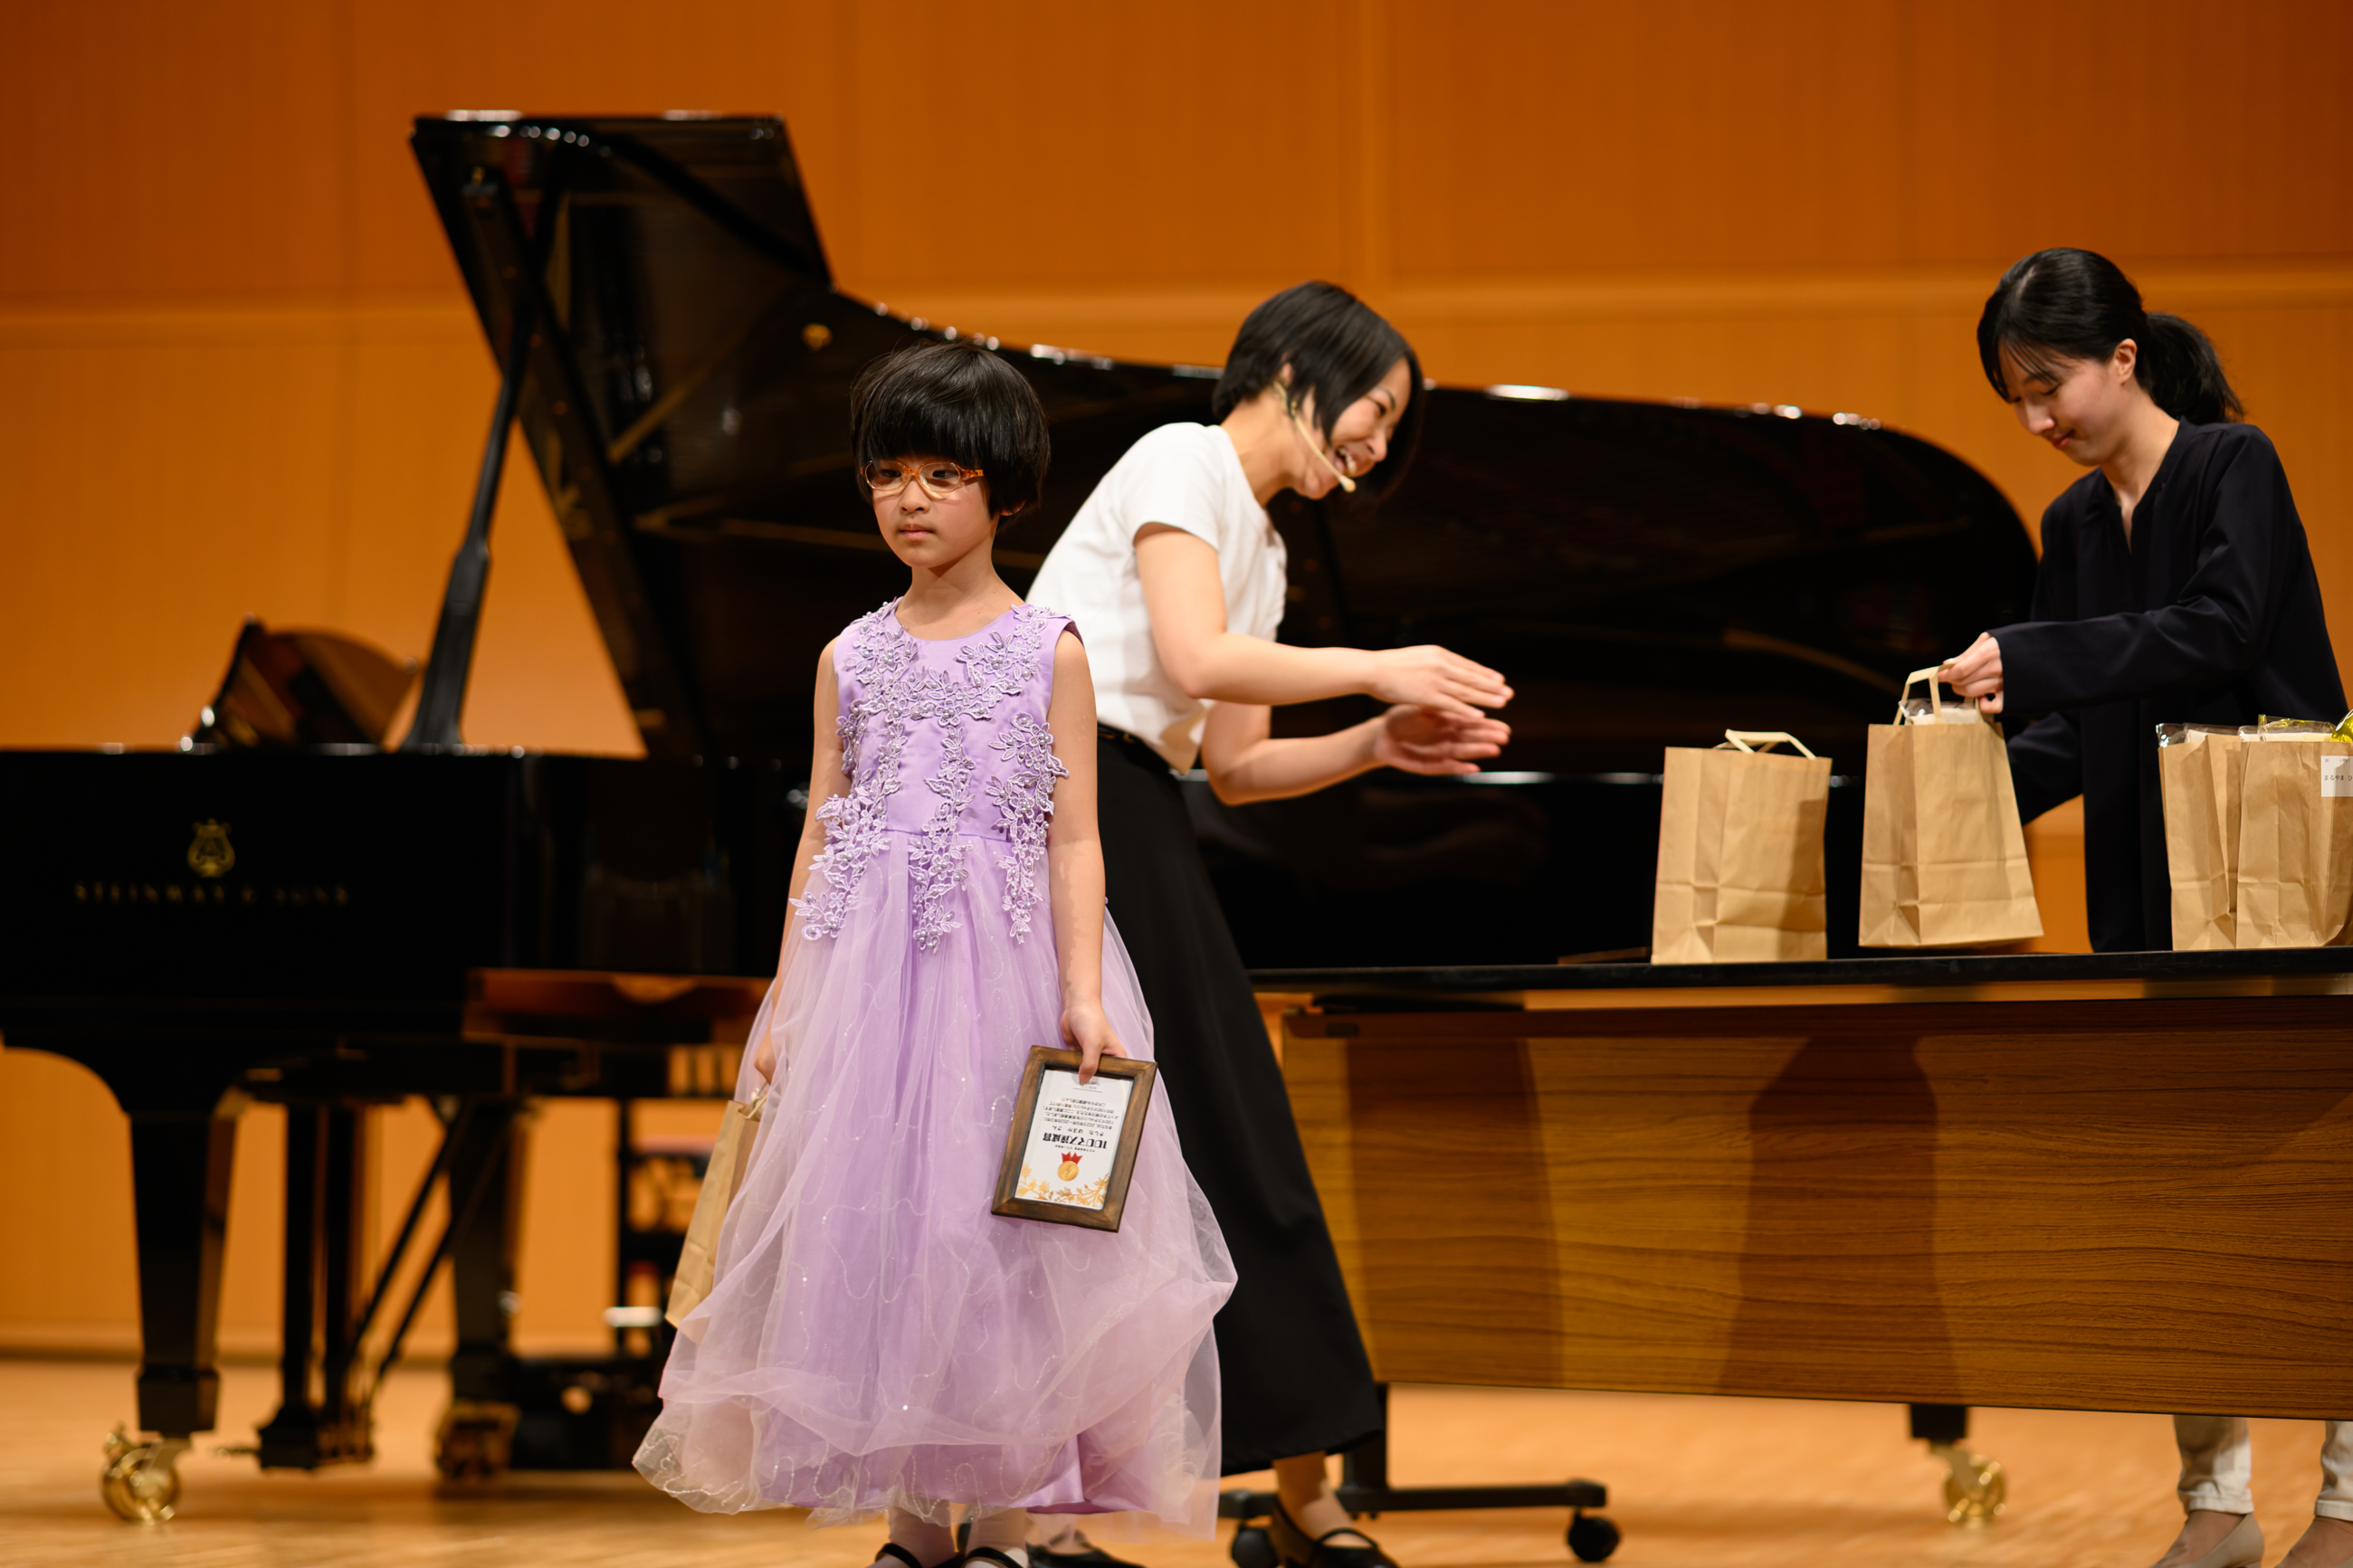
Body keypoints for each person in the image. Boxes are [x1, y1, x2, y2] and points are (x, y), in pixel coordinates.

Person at [634, 340, 1236, 1568]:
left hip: (1005, 971)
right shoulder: (848, 656)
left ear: (1003, 491)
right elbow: (823, 825)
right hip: (873, 985)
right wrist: (793, 999)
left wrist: (1079, 990)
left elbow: (1075, 838)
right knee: (887, 1232)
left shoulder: (1049, 649)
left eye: (945, 473)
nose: (912, 498)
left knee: (1005, 1241)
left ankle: (1011, 1513)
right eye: (889, 472)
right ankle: (914, 1516)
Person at [1024, 281, 1513, 1568]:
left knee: (1229, 1148)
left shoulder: (1272, 546)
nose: (1377, 444)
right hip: (1065, 804)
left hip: (1134, 807)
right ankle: (1046, 1509)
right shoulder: (1179, 458)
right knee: (1083, 1154)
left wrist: (1375, 740)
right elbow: (1191, 660)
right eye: (1374, 408)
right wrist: (1379, 664)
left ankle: (1303, 1492)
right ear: (1297, 365)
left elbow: (1234, 763)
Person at [1943, 248, 2348, 1568]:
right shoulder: (2069, 529)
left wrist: (2036, 655)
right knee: (2185, 1208)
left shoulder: (2238, 465)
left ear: (2123, 358)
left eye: (2047, 384)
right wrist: (1943, 794)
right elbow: (2081, 738)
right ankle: (2217, 1503)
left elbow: (2220, 632)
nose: (2036, 419)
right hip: (2144, 897)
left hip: (2276, 894)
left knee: (2316, 1203)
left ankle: (2345, 1502)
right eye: (2015, 395)